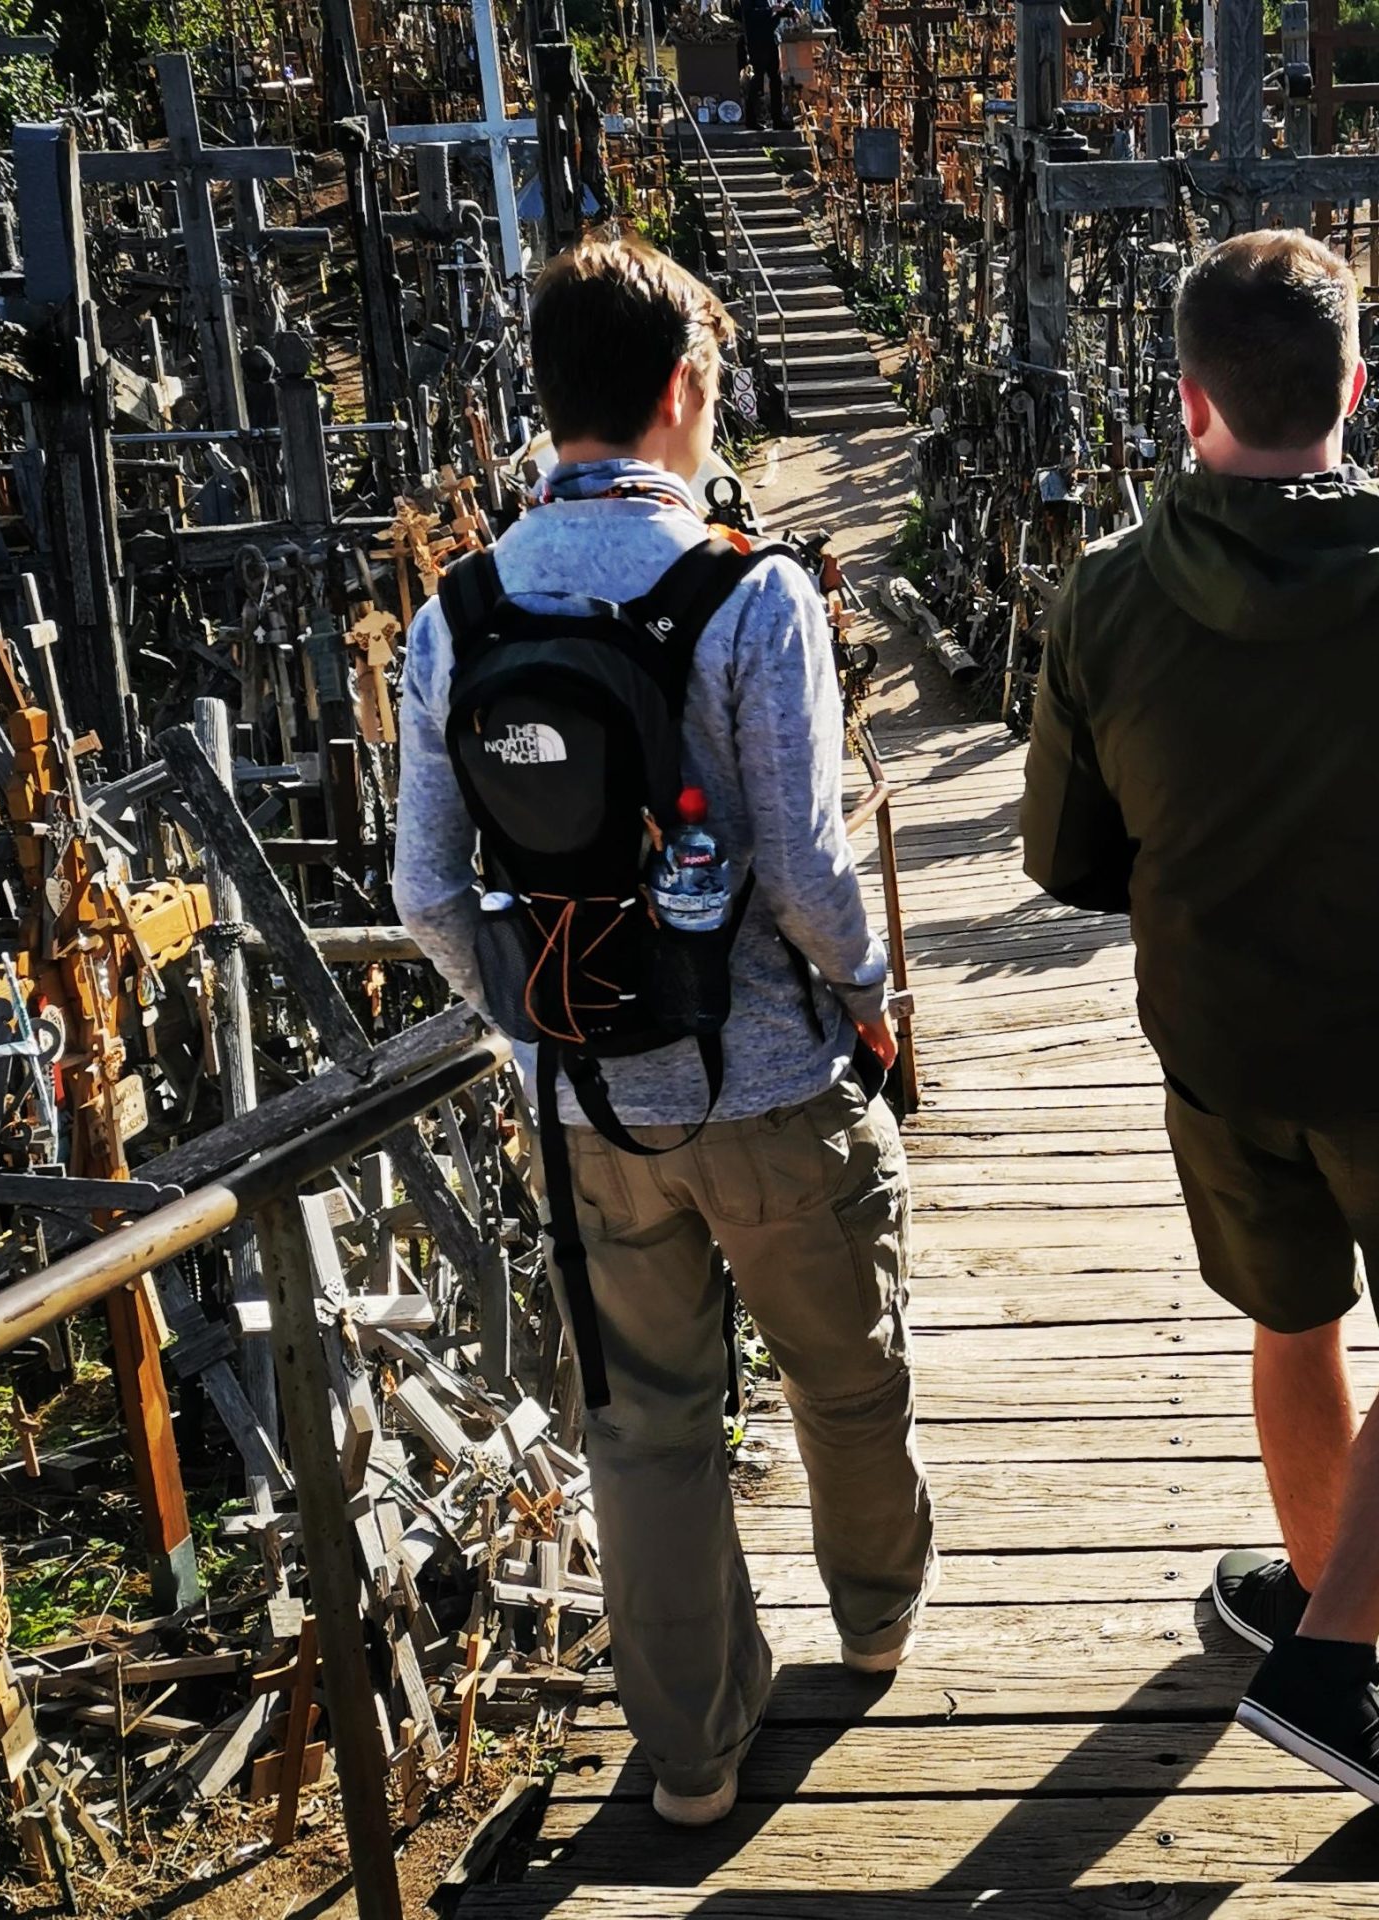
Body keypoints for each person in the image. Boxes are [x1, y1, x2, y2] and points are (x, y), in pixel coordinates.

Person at [1020, 229, 1379, 1828]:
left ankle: (1314, 1594)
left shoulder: (1108, 600)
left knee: (1293, 1318)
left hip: (1218, 1052)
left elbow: (1068, 862)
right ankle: (1333, 1660)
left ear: (1189, 396)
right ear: (1353, 384)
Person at [395, 233, 933, 1829]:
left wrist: (538, 1017)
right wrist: (867, 1004)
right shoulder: (751, 592)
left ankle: (692, 1763)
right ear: (688, 386)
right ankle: (876, 1619)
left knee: (645, 1435)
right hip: (769, 1081)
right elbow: (814, 867)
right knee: (848, 1375)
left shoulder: (460, 611)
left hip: (584, 1112)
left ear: (545, 399)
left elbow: (430, 892)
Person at [740, 0, 795, 129]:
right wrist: (771, 10)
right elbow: (749, 15)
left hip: (772, 40)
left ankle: (778, 119)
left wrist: (789, 11)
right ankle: (752, 120)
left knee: (776, 80)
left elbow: (777, 13)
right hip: (758, 42)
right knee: (757, 81)